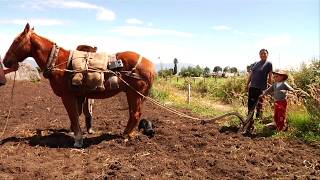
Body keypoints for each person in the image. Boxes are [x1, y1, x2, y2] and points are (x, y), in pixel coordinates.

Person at [244, 49, 273, 133]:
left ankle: (258, 123)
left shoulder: (269, 64)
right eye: (261, 53)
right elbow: (251, 74)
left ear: (267, 55)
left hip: (261, 88)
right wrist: (247, 84)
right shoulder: (255, 64)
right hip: (252, 87)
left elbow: (270, 76)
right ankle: (249, 122)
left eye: (265, 53)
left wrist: (269, 87)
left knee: (260, 106)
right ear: (259, 55)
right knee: (250, 105)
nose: (263, 55)